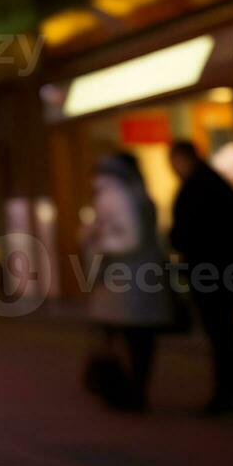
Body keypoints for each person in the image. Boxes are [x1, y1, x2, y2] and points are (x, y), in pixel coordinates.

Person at [169, 139, 233, 415]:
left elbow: (184, 232)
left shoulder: (197, 188)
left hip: (211, 273)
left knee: (221, 335)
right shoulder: (216, 184)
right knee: (222, 335)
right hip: (225, 270)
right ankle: (232, 393)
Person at [80, 153, 173, 412]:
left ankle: (128, 392)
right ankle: (136, 390)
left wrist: (98, 242)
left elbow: (128, 238)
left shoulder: (113, 195)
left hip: (123, 277)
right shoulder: (140, 194)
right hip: (143, 275)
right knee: (140, 339)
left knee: (124, 336)